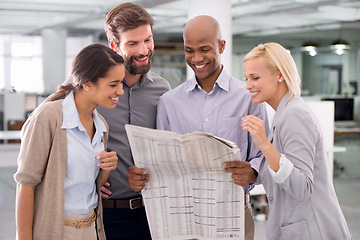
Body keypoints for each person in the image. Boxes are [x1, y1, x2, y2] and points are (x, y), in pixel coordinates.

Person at [127, 15, 268, 240]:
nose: (196, 58)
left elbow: (264, 155)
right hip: (181, 218)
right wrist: (141, 175)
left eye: (204, 49)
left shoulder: (248, 98)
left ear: (221, 46)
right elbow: (160, 162)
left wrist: (252, 172)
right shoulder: (169, 102)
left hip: (232, 214)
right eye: (189, 50)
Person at [241, 42, 352, 239]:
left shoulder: (295, 114)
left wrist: (264, 145)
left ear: (280, 75)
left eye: (255, 78)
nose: (248, 85)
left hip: (311, 230)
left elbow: (302, 187)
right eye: (246, 78)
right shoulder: (282, 114)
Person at [14, 43, 124, 240]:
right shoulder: (48, 117)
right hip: (55, 231)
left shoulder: (101, 125)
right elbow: (26, 185)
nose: (120, 91)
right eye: (113, 84)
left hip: (91, 229)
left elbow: (87, 186)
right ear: (88, 83)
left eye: (121, 83)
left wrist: (107, 168)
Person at [96, 3, 171, 240]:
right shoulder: (90, 89)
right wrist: (87, 176)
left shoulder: (162, 90)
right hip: (106, 216)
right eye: (132, 43)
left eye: (147, 40)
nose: (143, 50)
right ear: (113, 45)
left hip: (154, 213)